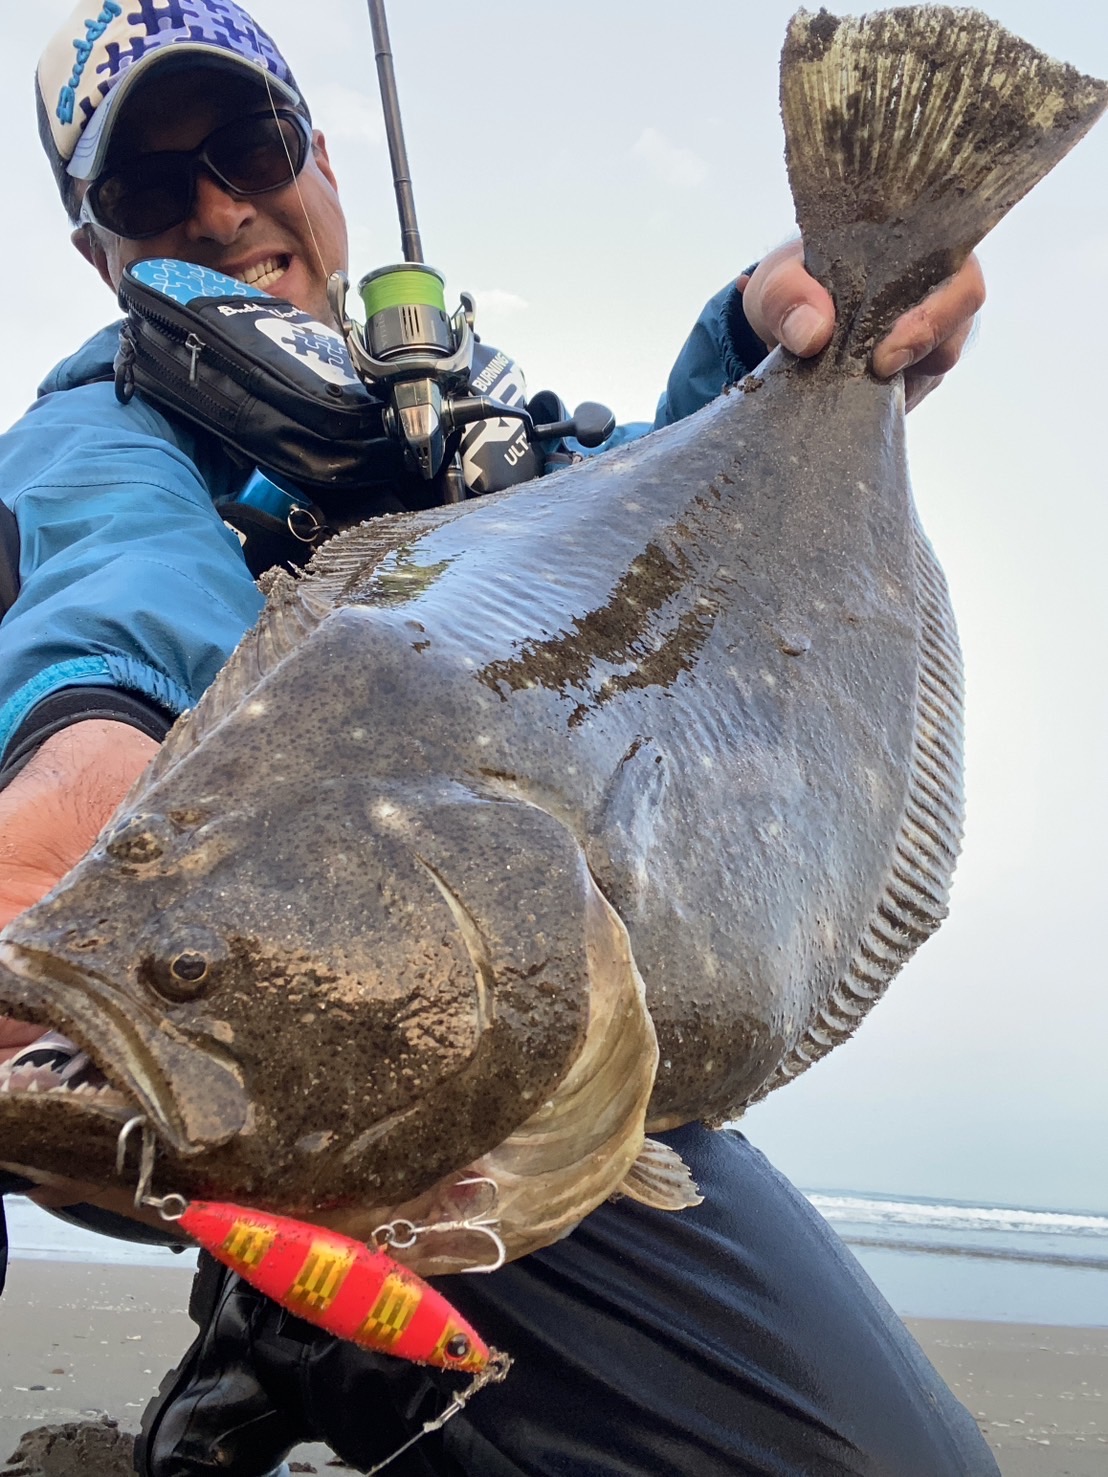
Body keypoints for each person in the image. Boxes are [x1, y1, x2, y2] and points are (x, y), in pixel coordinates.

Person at [0, 3, 995, 1474]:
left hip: (525, 1065)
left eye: (248, 148)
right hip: (285, 1086)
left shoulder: (456, 414)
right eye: (152, 192)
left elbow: (642, 563)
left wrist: (787, 329)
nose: (217, 205)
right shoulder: (112, 433)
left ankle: (264, 1373)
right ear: (102, 253)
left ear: (319, 162)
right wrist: (88, 788)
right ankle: (288, 1328)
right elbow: (118, 604)